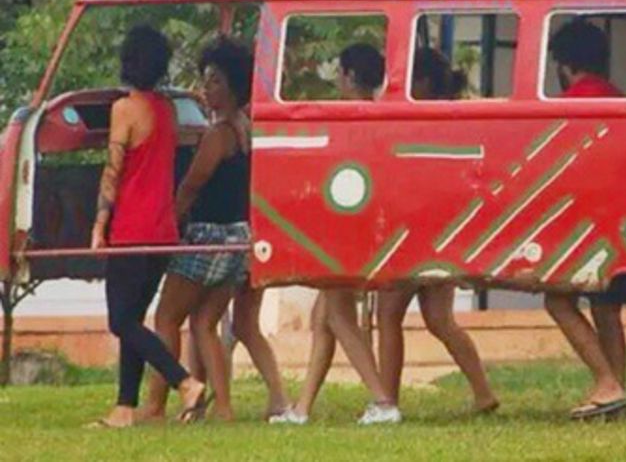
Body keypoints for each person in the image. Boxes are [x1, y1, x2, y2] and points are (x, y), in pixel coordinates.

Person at [140, 37, 288, 422]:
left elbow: (192, 185)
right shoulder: (245, 127)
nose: (207, 88)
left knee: (166, 318)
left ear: (234, 85)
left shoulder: (218, 134)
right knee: (205, 324)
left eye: (216, 81)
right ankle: (222, 407)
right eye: (205, 80)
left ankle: (155, 405)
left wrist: (169, 223)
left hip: (206, 238)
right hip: (237, 237)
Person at [271, 43, 401, 426]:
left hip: (347, 228)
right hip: (367, 224)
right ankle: (302, 408)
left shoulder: (350, 120)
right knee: (323, 316)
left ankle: (382, 401)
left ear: (350, 76)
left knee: (340, 315)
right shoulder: (382, 117)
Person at [89, 24, 205, 428]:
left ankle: (185, 382)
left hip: (132, 230)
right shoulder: (167, 109)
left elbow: (113, 171)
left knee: (120, 321)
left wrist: (99, 224)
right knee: (133, 319)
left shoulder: (125, 109)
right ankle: (124, 407)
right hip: (162, 231)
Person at [377, 48, 498, 413]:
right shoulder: (454, 118)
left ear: (423, 82)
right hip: (442, 228)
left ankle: (388, 399)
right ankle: (482, 390)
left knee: (388, 314)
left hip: (411, 229)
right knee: (440, 320)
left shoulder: (416, 119)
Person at [542, 19, 626, 420]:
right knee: (606, 308)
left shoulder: (573, 101)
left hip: (588, 220)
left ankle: (607, 382)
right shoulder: (616, 95)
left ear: (564, 64)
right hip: (619, 216)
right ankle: (616, 389)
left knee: (558, 300)